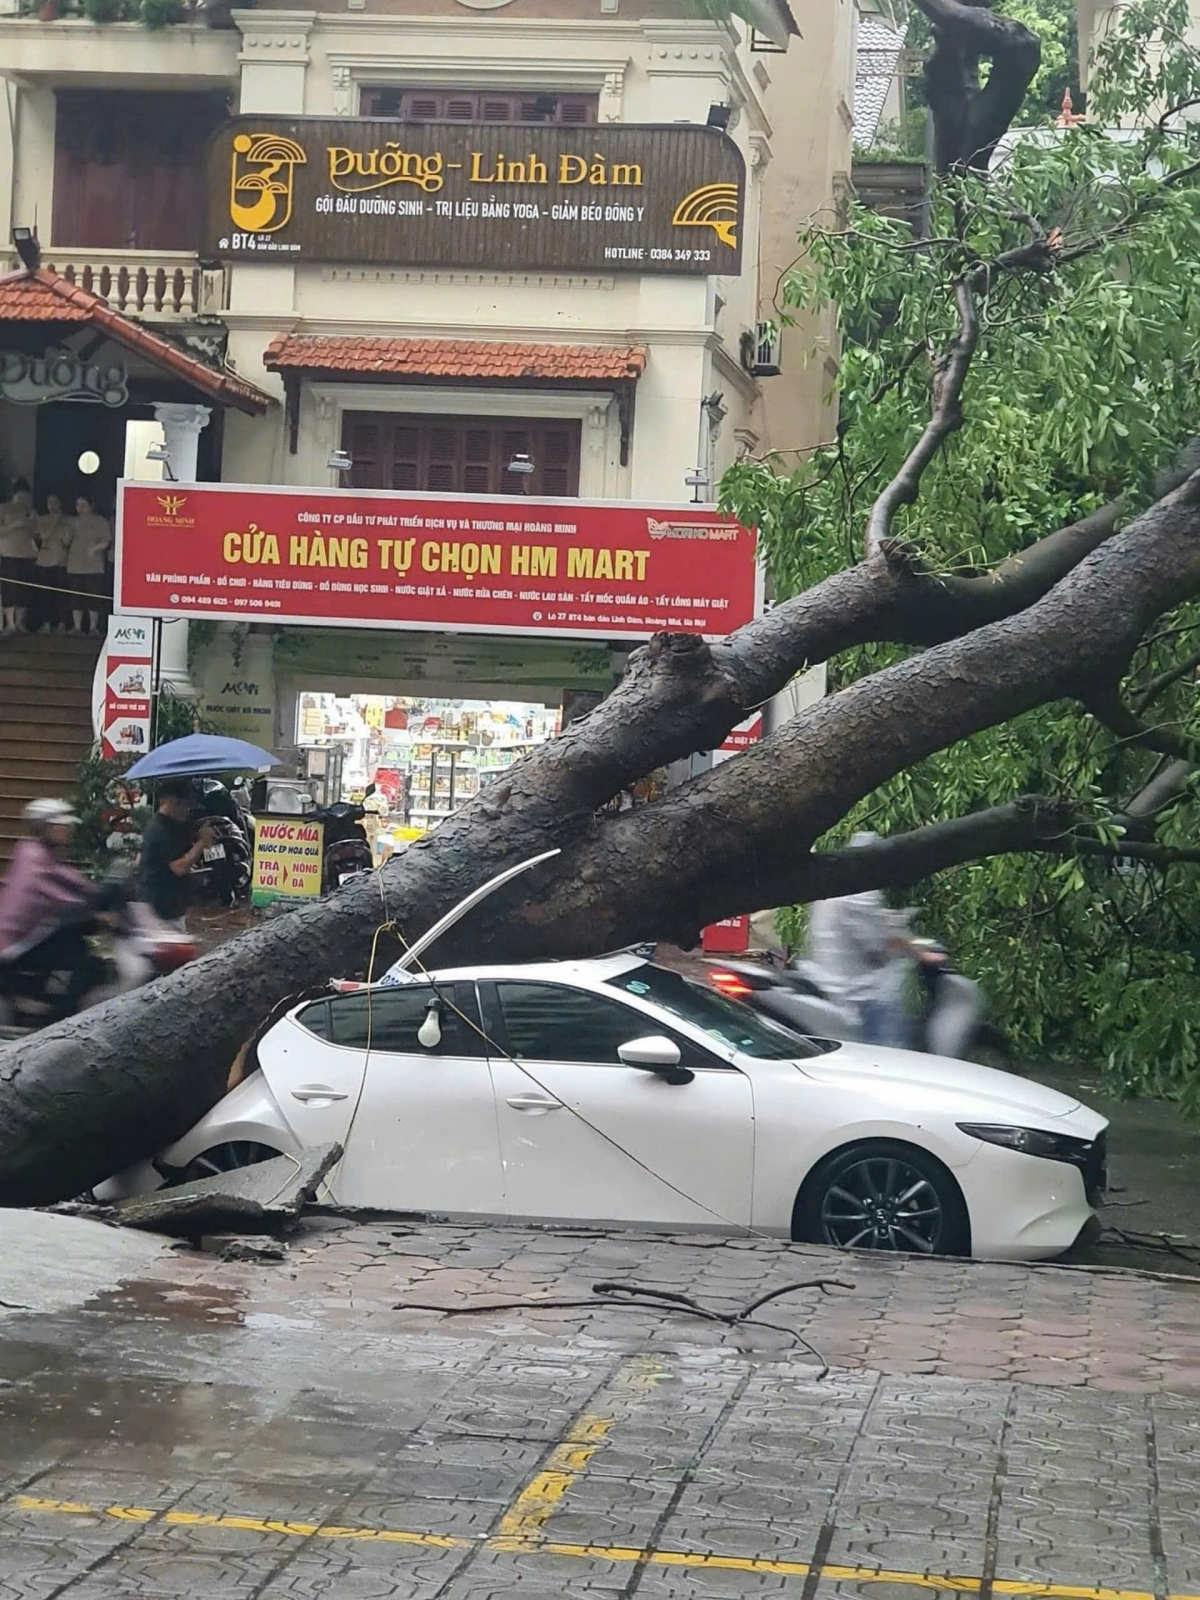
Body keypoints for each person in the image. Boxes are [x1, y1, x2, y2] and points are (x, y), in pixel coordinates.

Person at [805, 833, 943, 1048]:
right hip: (858, 995)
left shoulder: (835, 887)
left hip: (830, 980)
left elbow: (866, 924)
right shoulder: (861, 893)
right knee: (893, 1052)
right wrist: (921, 953)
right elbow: (878, 947)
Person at [0, 798, 102, 1019]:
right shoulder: (34, 857)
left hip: (28, 936)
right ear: (48, 828)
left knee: (74, 945)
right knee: (83, 961)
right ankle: (61, 1019)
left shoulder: (34, 851)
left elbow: (65, 875)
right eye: (63, 826)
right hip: (16, 943)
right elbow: (55, 892)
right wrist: (90, 905)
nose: (67, 830)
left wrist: (96, 890)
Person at [135, 779, 215, 929]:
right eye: (186, 806)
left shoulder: (171, 826)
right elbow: (178, 867)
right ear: (174, 803)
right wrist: (202, 843)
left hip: (171, 908)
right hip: (159, 911)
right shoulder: (160, 830)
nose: (187, 811)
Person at [64, 494, 113, 636]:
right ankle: (77, 627)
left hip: (94, 566)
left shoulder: (100, 521)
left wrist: (94, 549)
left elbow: (106, 540)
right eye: (78, 505)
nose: (80, 508)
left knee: (94, 597)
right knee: (75, 597)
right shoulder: (72, 521)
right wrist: (67, 534)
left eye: (83, 505)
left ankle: (93, 627)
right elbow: (65, 543)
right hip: (75, 565)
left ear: (91, 505)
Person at [0, 479, 37, 633]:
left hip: (27, 554)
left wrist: (32, 521)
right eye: (19, 496)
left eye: (25, 497)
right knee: (10, 589)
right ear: (13, 494)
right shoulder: (3, 508)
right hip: (8, 553)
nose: (23, 500)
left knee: (25, 590)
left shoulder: (30, 511)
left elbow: (37, 534)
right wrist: (16, 524)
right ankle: (10, 623)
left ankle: (20, 622)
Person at [33, 493, 71, 633]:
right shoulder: (41, 520)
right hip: (44, 562)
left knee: (61, 595)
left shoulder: (68, 520)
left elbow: (68, 541)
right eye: (49, 502)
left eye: (55, 502)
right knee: (45, 595)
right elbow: (35, 539)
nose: (52, 505)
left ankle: (62, 624)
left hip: (62, 562)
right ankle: (46, 624)